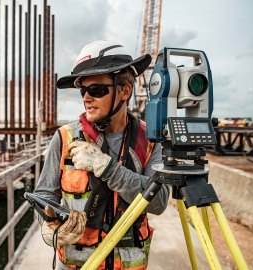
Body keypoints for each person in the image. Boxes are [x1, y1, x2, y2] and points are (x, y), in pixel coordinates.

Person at [34, 40, 169, 270]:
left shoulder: (150, 140)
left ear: (125, 91)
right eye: (83, 90)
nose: (86, 97)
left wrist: (108, 169)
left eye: (96, 89)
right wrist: (48, 223)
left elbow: (159, 202)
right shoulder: (64, 137)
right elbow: (44, 194)